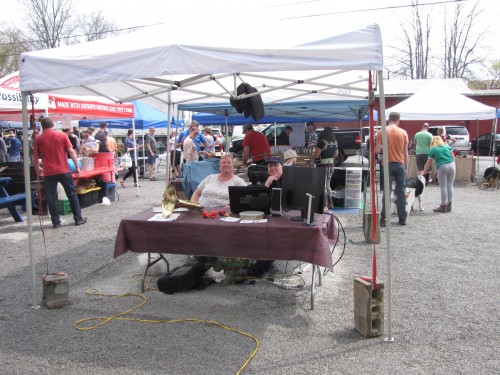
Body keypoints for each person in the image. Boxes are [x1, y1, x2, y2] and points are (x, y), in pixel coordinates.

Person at [36, 117, 87, 228]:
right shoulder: (62, 135)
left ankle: (56, 222)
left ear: (42, 126)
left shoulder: (39, 139)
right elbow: (71, 152)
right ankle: (78, 218)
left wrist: (37, 168)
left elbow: (34, 156)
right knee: (71, 194)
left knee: (51, 197)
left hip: (48, 171)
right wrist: (77, 166)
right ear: (53, 125)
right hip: (63, 169)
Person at [375, 112, 409, 226]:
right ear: (398, 120)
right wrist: (406, 167)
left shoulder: (382, 131)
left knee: (387, 192)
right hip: (400, 164)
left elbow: (378, 150)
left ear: (388, 120)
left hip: (387, 163)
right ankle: (402, 218)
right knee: (401, 192)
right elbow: (405, 153)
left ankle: (384, 218)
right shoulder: (403, 132)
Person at [421, 136, 456, 213]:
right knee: (450, 185)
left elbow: (428, 163)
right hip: (452, 165)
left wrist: (424, 172)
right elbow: (453, 157)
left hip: (442, 166)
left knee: (443, 187)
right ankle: (449, 205)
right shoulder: (446, 145)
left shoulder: (433, 149)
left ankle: (443, 205)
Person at [313, 127, 338, 211]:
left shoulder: (321, 143)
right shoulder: (335, 143)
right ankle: (331, 203)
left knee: (322, 185)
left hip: (322, 165)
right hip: (331, 165)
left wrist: (312, 157)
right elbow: (336, 154)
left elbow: (316, 155)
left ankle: (324, 205)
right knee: (328, 184)